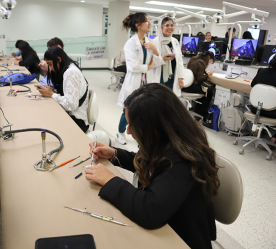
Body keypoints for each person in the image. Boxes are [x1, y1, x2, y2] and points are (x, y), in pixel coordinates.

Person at [86, 83, 220, 249]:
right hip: (168, 225)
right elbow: (152, 165)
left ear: (153, 127)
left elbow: (150, 210)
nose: (128, 131)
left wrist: (110, 180)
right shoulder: (167, 143)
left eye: (132, 125)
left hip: (181, 239)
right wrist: (114, 154)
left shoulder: (185, 159)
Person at [116, 12, 162, 145]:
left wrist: (155, 50)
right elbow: (132, 67)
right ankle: (120, 132)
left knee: (145, 111)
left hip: (147, 82)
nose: (149, 23)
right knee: (128, 111)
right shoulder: (130, 43)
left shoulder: (151, 42)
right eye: (146, 20)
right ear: (137, 25)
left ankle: (140, 135)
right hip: (134, 82)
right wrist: (148, 67)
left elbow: (158, 63)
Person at [37, 47, 89, 133]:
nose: (50, 69)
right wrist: (54, 92)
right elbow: (68, 95)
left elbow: (71, 105)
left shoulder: (71, 73)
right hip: (71, 115)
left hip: (77, 121)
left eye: (50, 64)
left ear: (59, 60)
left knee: (43, 120)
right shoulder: (69, 67)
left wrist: (52, 94)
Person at [152, 17, 185, 94]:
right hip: (159, 76)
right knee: (158, 99)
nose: (170, 28)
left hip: (172, 76)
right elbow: (151, 63)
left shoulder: (175, 41)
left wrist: (180, 77)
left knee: (169, 100)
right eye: (167, 25)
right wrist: (162, 59)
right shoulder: (154, 42)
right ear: (161, 27)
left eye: (172, 25)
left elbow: (179, 60)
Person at [251, 55, 276, 146]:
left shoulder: (261, 71)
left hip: (256, 109)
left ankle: (256, 130)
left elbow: (252, 84)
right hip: (272, 113)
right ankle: (273, 140)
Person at [182, 51, 215, 118]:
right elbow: (200, 79)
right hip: (191, 87)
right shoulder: (202, 63)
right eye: (210, 61)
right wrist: (208, 74)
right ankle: (200, 114)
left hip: (185, 86)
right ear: (208, 58)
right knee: (209, 93)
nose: (209, 63)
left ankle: (197, 111)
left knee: (203, 90)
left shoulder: (193, 59)